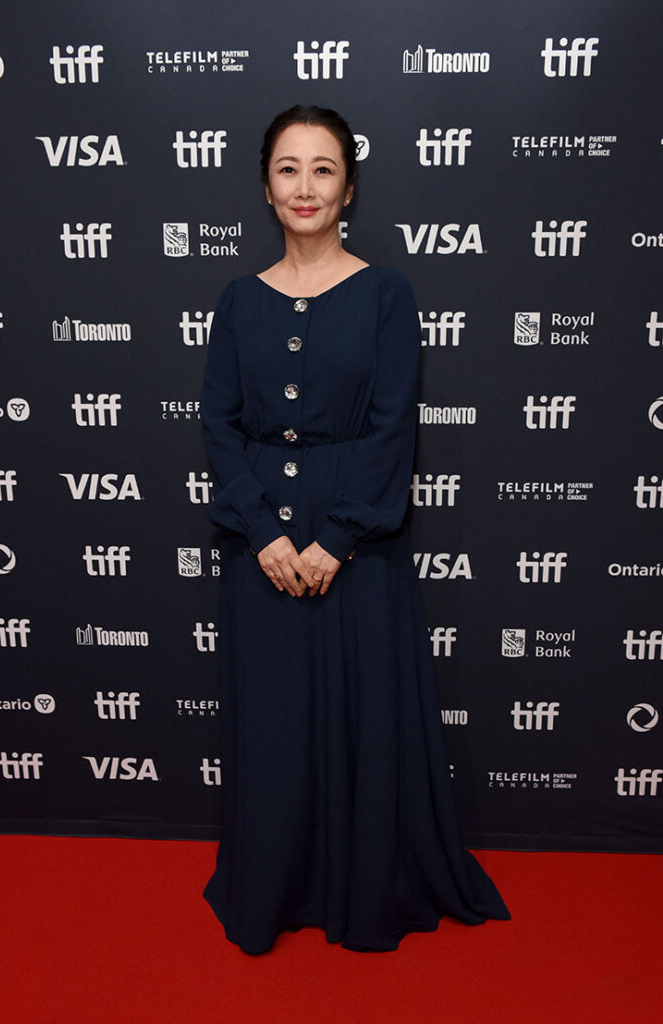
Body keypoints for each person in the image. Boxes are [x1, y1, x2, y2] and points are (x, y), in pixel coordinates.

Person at [199, 104, 510, 954]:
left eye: (323, 168)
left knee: (358, 722)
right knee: (274, 727)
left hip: (360, 548)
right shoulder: (236, 301)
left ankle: (362, 886)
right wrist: (262, 530)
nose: (305, 186)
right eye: (289, 168)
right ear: (266, 187)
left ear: (348, 188)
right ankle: (273, 887)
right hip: (257, 544)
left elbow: (391, 426)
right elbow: (219, 427)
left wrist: (337, 537)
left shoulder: (386, 293)